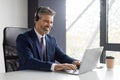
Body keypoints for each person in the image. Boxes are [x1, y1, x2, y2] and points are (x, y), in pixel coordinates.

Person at [16, 6, 80, 71]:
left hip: (47, 76)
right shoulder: (23, 39)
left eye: (51, 22)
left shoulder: (51, 40)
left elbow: (62, 56)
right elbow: (28, 61)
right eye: (46, 21)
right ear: (36, 20)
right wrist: (55, 66)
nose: (49, 25)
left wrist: (75, 62)